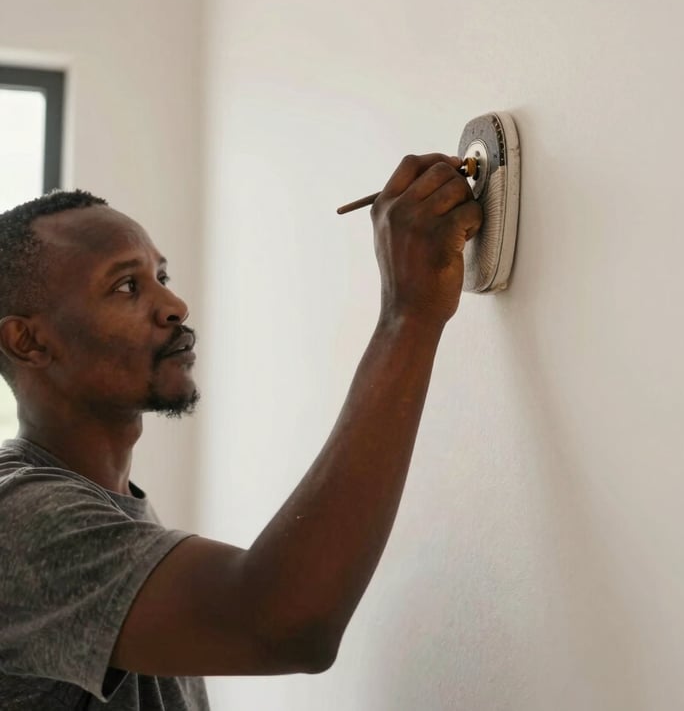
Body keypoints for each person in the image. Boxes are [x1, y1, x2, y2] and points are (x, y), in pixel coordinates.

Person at [0, 153, 482, 709]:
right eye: (126, 287)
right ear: (28, 343)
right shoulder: (21, 519)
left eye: (161, 276)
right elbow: (284, 622)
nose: (174, 305)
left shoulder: (106, 507)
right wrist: (408, 314)